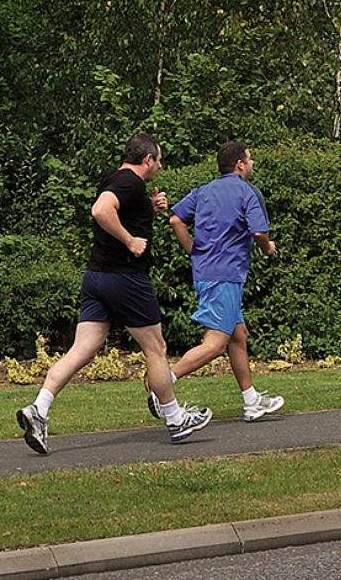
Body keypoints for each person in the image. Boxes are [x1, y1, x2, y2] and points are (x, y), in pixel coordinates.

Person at [17, 134, 212, 454]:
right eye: (159, 161)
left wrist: (148, 208)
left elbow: (115, 208)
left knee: (84, 348)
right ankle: (176, 420)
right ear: (147, 160)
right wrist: (130, 240)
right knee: (156, 348)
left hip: (96, 278)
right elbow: (101, 210)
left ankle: (38, 409)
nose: (160, 167)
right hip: (126, 279)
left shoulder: (116, 179)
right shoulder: (130, 183)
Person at [153, 141, 284, 423]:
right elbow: (260, 232)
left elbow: (176, 219)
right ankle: (161, 385)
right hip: (225, 276)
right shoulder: (246, 193)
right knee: (215, 343)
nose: (252, 163)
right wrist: (268, 248)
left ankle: (251, 401)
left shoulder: (204, 191)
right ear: (240, 164)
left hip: (209, 273)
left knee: (238, 336)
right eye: (249, 159)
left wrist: (192, 249)